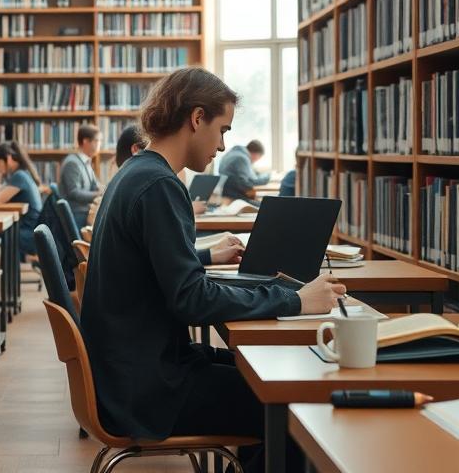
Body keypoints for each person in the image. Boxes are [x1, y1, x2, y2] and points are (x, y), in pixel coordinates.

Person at [81, 67, 346, 472]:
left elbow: (170, 276)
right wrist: (295, 300)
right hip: (149, 390)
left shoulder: (135, 174)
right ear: (197, 118)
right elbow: (191, 299)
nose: (222, 146)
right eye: (222, 130)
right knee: (293, 406)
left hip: (132, 372)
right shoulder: (160, 186)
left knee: (264, 373)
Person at [0, 140, 44, 258]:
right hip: (32, 229)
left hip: (28, 233)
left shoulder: (19, 176)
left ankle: (5, 269)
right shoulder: (22, 173)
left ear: (9, 158)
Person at [58, 124, 103, 218]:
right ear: (85, 141)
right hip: (77, 214)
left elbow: (94, 186)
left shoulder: (86, 161)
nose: (100, 144)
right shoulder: (72, 163)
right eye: (97, 140)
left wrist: (104, 190)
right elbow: (74, 192)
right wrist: (99, 194)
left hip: (84, 211)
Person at [218, 138, 271, 204]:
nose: (257, 160)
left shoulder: (232, 153)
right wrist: (254, 196)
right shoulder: (242, 158)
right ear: (256, 154)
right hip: (234, 196)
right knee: (263, 205)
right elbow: (245, 183)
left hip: (225, 193)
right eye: (259, 157)